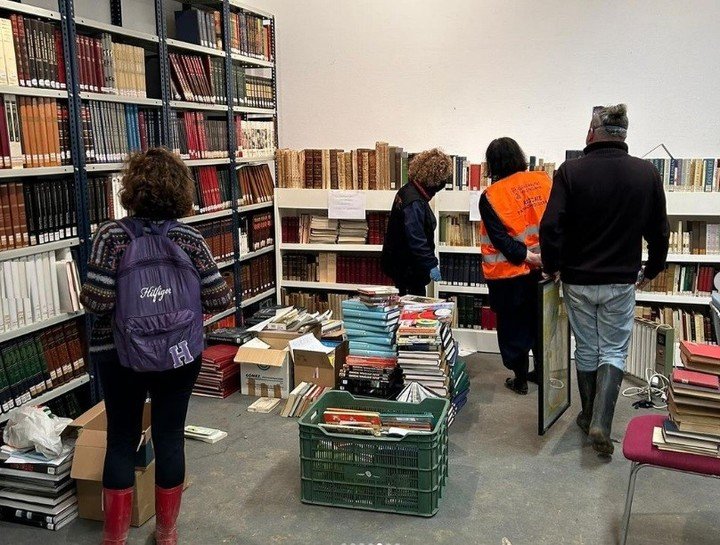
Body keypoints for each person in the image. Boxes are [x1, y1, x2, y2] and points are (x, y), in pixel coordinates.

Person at [79, 148, 233, 545]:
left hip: (117, 356)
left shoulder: (110, 236)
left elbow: (96, 302)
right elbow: (219, 299)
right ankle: (166, 533)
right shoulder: (189, 237)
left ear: (130, 189)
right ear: (180, 191)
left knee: (120, 439)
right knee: (169, 437)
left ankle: (114, 538)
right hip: (178, 356)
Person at [540, 104, 669, 455]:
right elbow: (659, 230)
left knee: (586, 347)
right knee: (612, 349)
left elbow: (551, 226)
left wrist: (551, 264)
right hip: (621, 279)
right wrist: (654, 268)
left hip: (578, 280)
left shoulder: (570, 172)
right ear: (624, 134)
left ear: (592, 132)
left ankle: (587, 415)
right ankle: (601, 421)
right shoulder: (645, 173)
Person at [479, 138, 551, 395]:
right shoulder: (544, 181)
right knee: (541, 324)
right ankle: (541, 373)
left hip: (508, 275)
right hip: (545, 271)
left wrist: (526, 256)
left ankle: (520, 379)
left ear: (493, 164)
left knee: (513, 328)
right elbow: (558, 220)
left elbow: (500, 239)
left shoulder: (491, 195)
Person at [381, 148, 452, 295]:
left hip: (400, 266)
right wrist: (431, 265)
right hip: (408, 270)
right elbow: (416, 237)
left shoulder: (407, 190)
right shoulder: (415, 201)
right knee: (413, 312)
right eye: (442, 178)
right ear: (434, 179)